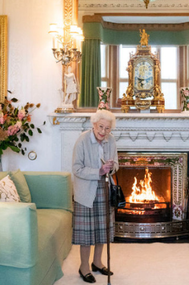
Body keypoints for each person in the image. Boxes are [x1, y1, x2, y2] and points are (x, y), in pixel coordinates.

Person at [72, 110, 119, 283]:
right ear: (94, 124)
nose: (103, 132)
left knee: (102, 229)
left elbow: (116, 164)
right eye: (101, 127)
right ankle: (84, 267)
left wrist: (111, 167)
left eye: (107, 128)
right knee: (87, 233)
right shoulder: (83, 140)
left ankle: (97, 262)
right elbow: (76, 169)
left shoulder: (111, 140)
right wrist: (98, 171)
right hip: (86, 191)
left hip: (105, 188)